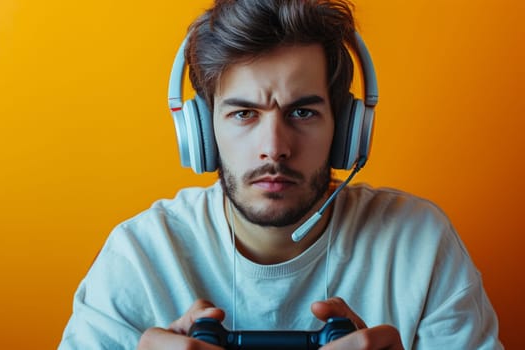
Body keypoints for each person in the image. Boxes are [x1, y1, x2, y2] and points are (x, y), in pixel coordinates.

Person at [58, 0, 503, 349]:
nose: (275, 147)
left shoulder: (419, 245)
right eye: (244, 113)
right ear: (202, 132)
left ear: (346, 129)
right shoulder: (140, 256)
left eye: (303, 111)